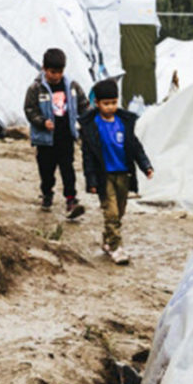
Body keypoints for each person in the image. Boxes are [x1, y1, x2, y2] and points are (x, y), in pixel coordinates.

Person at [80, 78, 153, 265]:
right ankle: (116, 247)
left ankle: (107, 238)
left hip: (124, 174)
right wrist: (91, 181)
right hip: (104, 176)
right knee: (111, 213)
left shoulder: (124, 123)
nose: (110, 107)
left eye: (113, 102)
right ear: (97, 103)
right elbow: (88, 156)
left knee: (119, 212)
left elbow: (135, 147)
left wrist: (146, 166)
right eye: (106, 103)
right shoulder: (91, 127)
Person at [24, 48, 88, 218]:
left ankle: (71, 199)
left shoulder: (72, 87)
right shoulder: (36, 88)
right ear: (44, 69)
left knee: (68, 169)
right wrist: (41, 122)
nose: (56, 76)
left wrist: (87, 122)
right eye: (52, 72)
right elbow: (29, 109)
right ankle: (47, 192)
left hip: (65, 136)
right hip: (45, 139)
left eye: (59, 72)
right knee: (46, 170)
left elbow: (83, 104)